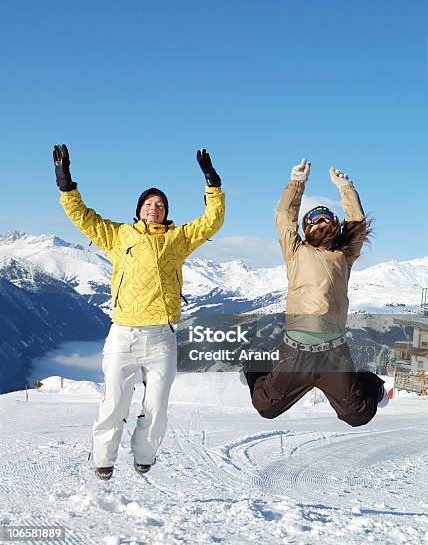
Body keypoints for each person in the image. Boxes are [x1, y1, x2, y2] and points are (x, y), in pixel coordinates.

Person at [53, 145, 225, 480]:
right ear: (139, 210)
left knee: (156, 407)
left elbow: (211, 221)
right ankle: (104, 457)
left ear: (166, 212)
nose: (154, 208)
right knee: (114, 403)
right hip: (123, 333)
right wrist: (65, 184)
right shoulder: (118, 235)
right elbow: (83, 217)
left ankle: (144, 454)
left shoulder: (178, 238)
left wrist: (212, 183)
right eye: (149, 203)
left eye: (160, 204)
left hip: (162, 336)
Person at [242, 158, 388, 426]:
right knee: (266, 405)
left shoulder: (343, 255)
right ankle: (256, 362)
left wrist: (346, 188)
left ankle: (368, 380)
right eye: (314, 219)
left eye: (327, 218)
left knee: (358, 414)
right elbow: (285, 218)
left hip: (334, 353)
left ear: (334, 225)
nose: (321, 221)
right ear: (306, 229)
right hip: (296, 352)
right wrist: (296, 183)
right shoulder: (296, 251)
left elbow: (356, 223)